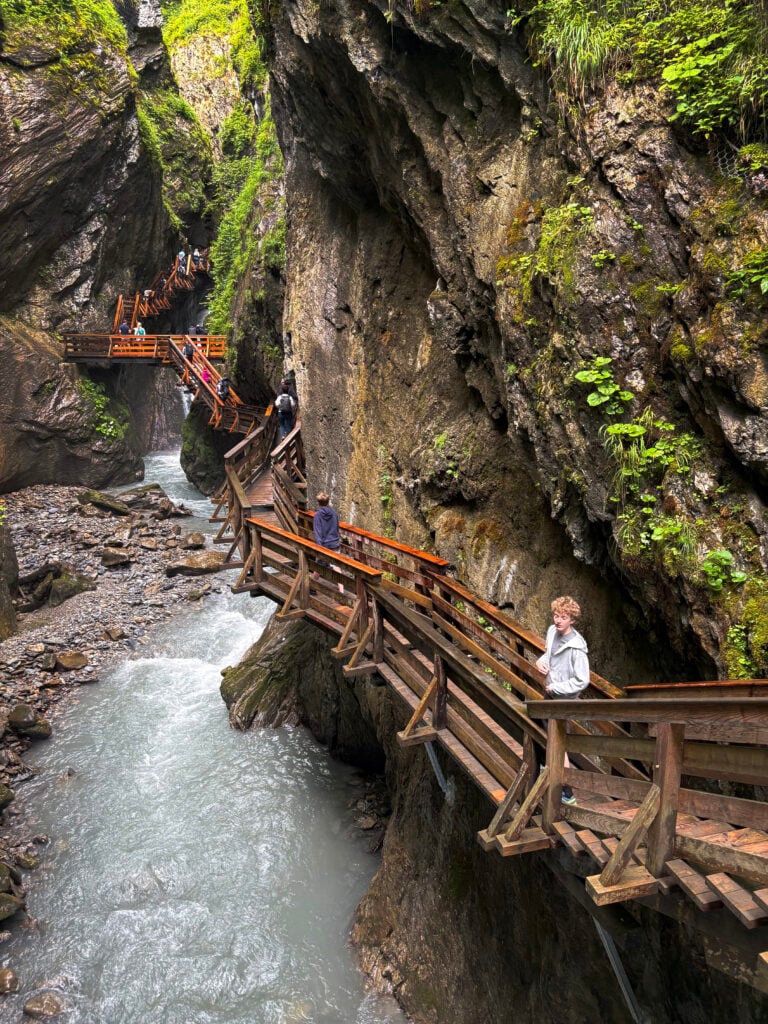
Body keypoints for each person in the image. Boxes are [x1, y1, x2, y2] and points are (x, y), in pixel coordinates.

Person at [535, 596, 590, 805]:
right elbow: (547, 655)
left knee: (558, 742)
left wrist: (557, 687)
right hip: (549, 695)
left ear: (572, 620)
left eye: (563, 617)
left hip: (564, 701)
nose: (558, 620)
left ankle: (567, 792)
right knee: (549, 737)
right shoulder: (551, 632)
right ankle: (549, 769)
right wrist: (540, 663)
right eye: (556, 616)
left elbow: (582, 680)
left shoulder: (577, 649)